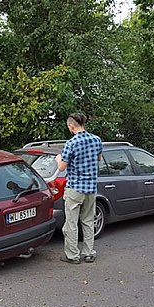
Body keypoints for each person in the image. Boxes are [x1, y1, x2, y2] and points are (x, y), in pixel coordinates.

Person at [54, 113, 103, 264]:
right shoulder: (96, 140)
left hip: (75, 188)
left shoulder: (71, 143)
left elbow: (62, 167)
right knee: (88, 221)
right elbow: (99, 158)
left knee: (71, 223)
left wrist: (58, 158)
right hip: (91, 188)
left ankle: (72, 255)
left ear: (71, 126)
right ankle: (89, 253)